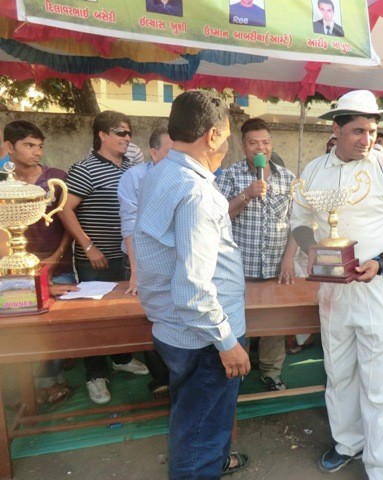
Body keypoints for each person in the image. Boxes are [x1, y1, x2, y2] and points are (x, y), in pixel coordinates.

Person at [290, 90, 383, 479]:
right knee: (339, 372)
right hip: (333, 290)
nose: (367, 139)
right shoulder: (314, 170)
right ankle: (347, 443)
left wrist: (381, 261)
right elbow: (299, 220)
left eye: (372, 131)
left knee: (381, 382)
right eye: (357, 131)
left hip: (378, 289)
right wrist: (313, 250)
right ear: (336, 129)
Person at [134, 90, 251, 479]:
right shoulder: (197, 192)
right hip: (204, 339)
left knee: (193, 419)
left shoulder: (161, 172)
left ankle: (210, 464)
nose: (227, 145)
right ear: (213, 136)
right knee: (201, 427)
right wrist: (227, 342)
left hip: (178, 329)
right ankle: (201, 468)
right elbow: (193, 289)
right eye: (227, 136)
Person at [59, 111, 149, 405]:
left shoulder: (132, 170)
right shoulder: (85, 169)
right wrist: (88, 246)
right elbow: (65, 209)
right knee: (95, 319)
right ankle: (95, 374)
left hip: (127, 258)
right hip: (95, 260)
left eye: (129, 132)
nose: (127, 138)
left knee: (124, 313)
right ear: (102, 135)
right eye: (121, 132)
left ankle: (121, 358)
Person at [0, 120, 78, 405]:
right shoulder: (3, 185)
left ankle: (46, 382)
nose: (37, 152)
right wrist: (29, 278)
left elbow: (68, 222)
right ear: (9, 147)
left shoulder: (55, 178)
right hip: (15, 270)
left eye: (40, 146)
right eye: (29, 145)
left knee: (53, 328)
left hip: (59, 265)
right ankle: (23, 387)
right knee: (18, 326)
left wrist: (56, 258)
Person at [217, 117, 297, 392]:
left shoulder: (288, 178)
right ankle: (237, 372)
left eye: (265, 142)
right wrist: (246, 195)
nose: (260, 148)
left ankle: (271, 372)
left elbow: (297, 223)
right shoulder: (230, 175)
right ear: (243, 146)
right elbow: (218, 218)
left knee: (274, 326)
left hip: (276, 269)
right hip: (239, 271)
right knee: (238, 323)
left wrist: (289, 259)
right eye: (254, 143)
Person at [117, 125, 173, 398]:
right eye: (170, 151)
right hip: (140, 259)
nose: (177, 157)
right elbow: (129, 224)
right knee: (147, 315)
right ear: (153, 152)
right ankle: (160, 378)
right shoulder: (135, 176)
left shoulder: (186, 176)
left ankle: (178, 375)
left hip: (174, 259)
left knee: (174, 314)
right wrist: (136, 271)